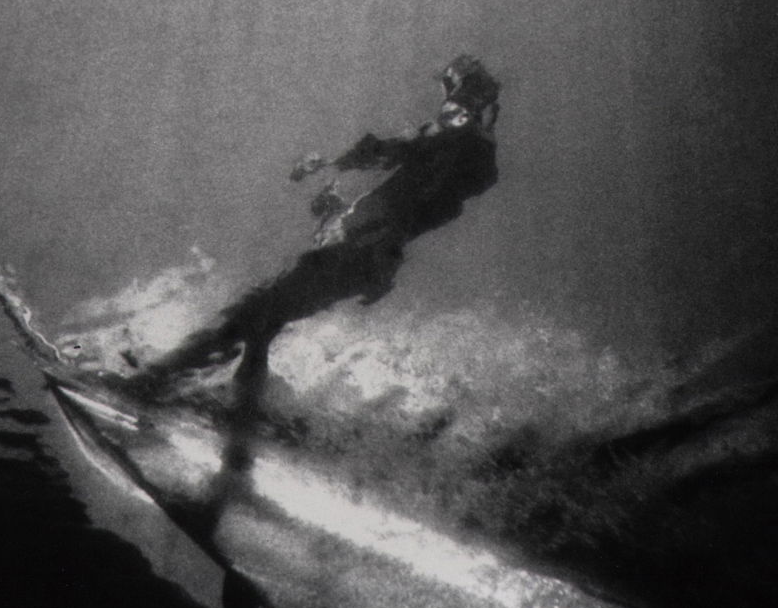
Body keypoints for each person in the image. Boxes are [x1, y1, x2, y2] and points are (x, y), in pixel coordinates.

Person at [126, 55, 501, 398]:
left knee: (251, 312)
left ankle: (149, 384)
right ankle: (241, 405)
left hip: (359, 250)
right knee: (267, 320)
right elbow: (407, 204)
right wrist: (335, 208)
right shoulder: (470, 160)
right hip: (371, 262)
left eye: (450, 90)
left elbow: (398, 157)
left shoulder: (457, 131)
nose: (445, 102)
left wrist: (333, 163)